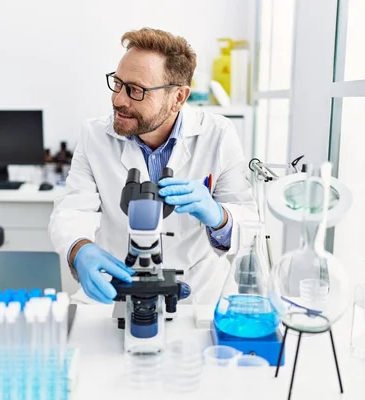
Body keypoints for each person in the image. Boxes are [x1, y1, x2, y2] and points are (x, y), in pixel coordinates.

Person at [49, 28, 257, 304]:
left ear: (178, 98)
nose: (118, 99)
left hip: (196, 295)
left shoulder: (218, 134)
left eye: (135, 90)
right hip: (117, 288)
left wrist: (219, 216)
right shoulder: (94, 135)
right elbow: (72, 209)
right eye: (118, 83)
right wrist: (80, 249)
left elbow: (249, 223)